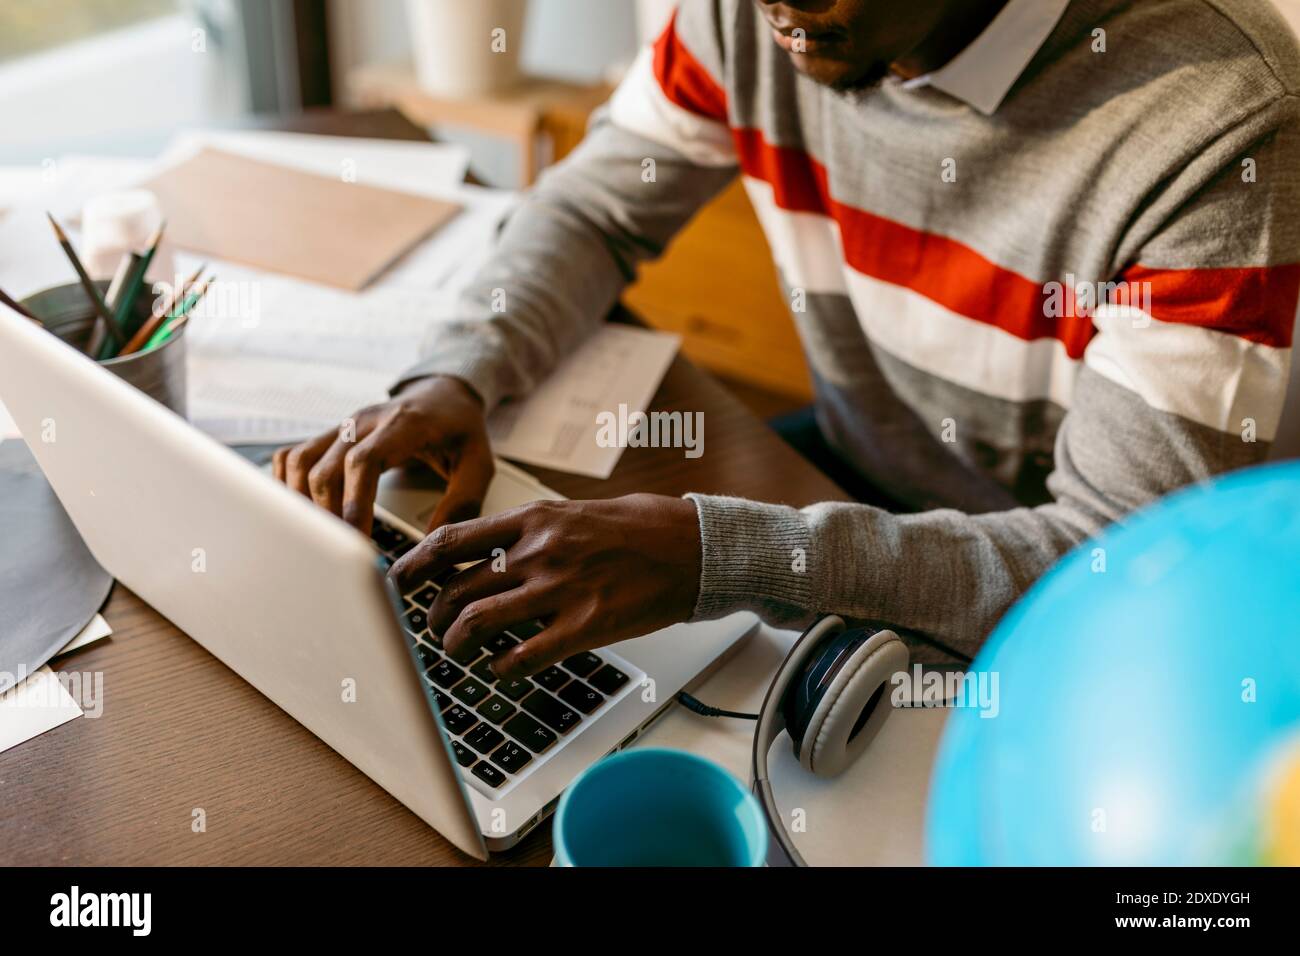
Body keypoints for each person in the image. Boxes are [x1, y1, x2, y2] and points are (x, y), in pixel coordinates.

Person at [275, 0, 1300, 677]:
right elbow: (592, 210)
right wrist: (460, 367)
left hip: (1089, 603)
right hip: (853, 474)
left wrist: (724, 553)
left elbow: (1112, 570)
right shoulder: (760, 13)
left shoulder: (1223, 128)